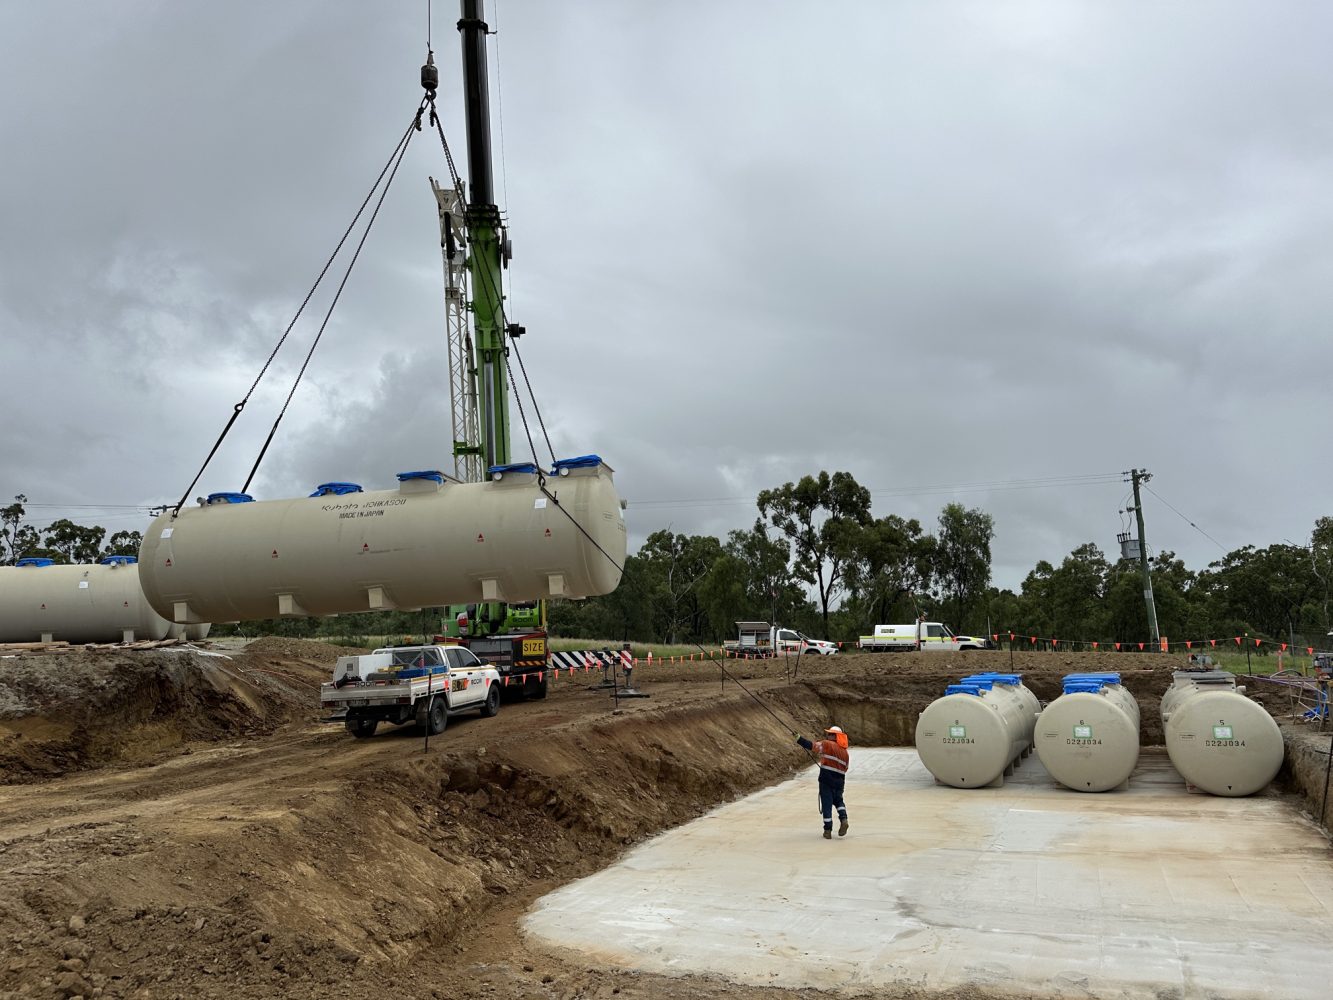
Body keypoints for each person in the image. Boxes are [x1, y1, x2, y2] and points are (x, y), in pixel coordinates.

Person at [796, 725, 849, 839]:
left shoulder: (827, 744)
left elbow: (813, 746)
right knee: (839, 801)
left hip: (826, 780)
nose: (828, 735)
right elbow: (845, 768)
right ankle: (844, 819)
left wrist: (799, 739)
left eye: (830, 734)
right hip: (840, 781)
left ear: (835, 736)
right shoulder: (845, 753)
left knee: (826, 804)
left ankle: (827, 830)